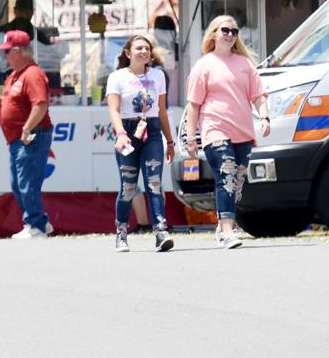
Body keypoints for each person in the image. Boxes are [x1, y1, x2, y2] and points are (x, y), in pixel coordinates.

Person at [185, 15, 270, 249]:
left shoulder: (244, 64)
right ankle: (227, 230)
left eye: (234, 31)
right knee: (227, 176)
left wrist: (264, 117)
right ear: (214, 33)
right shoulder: (204, 65)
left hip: (243, 131)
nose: (230, 35)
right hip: (215, 129)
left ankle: (223, 225)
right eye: (225, 30)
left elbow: (258, 96)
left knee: (238, 183)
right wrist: (191, 137)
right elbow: (193, 104)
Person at [107, 34, 176, 253]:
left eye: (147, 48)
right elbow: (114, 110)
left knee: (154, 182)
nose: (144, 52)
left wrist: (171, 140)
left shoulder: (158, 75)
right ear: (128, 53)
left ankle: (160, 230)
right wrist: (120, 134)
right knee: (128, 187)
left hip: (153, 131)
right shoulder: (117, 77)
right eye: (139, 48)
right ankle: (121, 232)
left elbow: (162, 111)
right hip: (127, 131)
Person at [0, 30, 53, 239]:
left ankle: (35, 225)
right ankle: (39, 222)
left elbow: (41, 105)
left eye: (8, 51)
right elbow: (17, 102)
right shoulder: (16, 75)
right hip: (20, 139)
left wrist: (27, 128)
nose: (5, 56)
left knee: (26, 183)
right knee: (19, 183)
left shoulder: (32, 74)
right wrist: (0, 101)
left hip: (31, 137)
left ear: (18, 51)